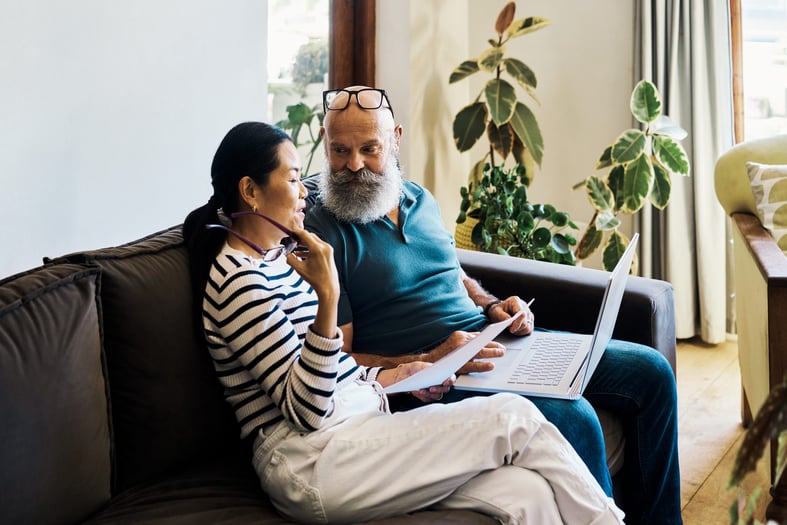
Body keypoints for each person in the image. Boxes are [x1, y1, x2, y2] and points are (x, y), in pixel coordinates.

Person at [182, 121, 624, 524]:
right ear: (250, 190)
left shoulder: (277, 259)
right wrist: (329, 298)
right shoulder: (237, 282)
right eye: (294, 178)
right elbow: (307, 409)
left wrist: (397, 375)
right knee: (514, 418)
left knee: (527, 493)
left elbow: (332, 373)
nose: (305, 193)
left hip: (358, 426)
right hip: (312, 461)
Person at [304, 86, 683, 525]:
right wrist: (428, 361)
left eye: (369, 148)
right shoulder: (322, 233)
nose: (354, 164)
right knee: (574, 416)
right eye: (339, 150)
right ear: (324, 142)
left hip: (490, 342)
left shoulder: (419, 199)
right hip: (436, 380)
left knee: (652, 372)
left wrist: (492, 305)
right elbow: (340, 361)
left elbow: (454, 274)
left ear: (395, 139)